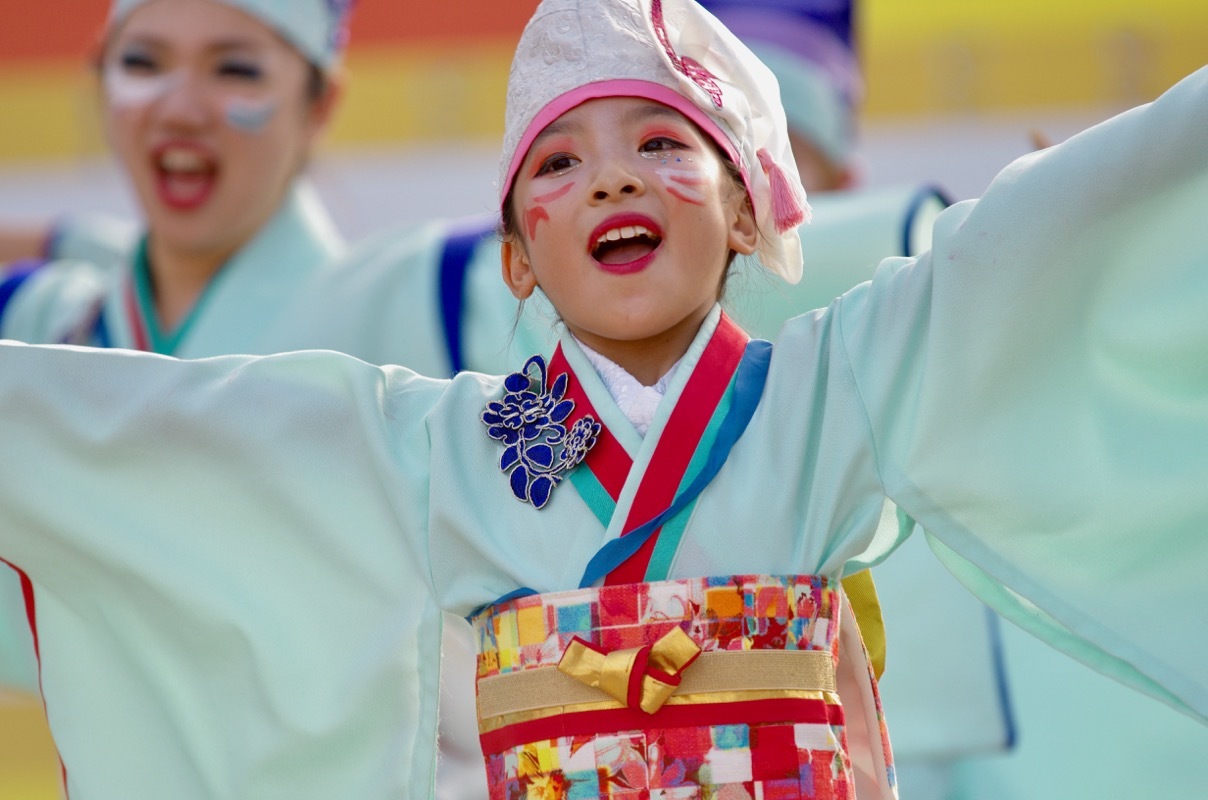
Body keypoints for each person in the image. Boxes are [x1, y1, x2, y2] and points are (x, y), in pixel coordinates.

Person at [1, 1, 1207, 799]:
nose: (612, 175)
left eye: (662, 145)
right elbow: (172, 438)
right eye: (559, 163)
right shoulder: (445, 449)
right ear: (518, 255)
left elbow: (1046, 239)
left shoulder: (830, 388)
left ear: (743, 209)